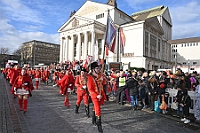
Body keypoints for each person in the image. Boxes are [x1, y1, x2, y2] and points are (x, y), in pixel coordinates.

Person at [87, 62, 106, 133]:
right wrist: (96, 95)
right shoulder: (90, 78)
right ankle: (99, 125)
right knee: (98, 108)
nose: (98, 69)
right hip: (95, 95)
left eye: (99, 68)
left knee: (95, 107)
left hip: (101, 94)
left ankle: (93, 119)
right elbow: (90, 89)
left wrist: (103, 79)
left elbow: (104, 83)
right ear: (93, 69)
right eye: (97, 68)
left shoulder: (100, 75)